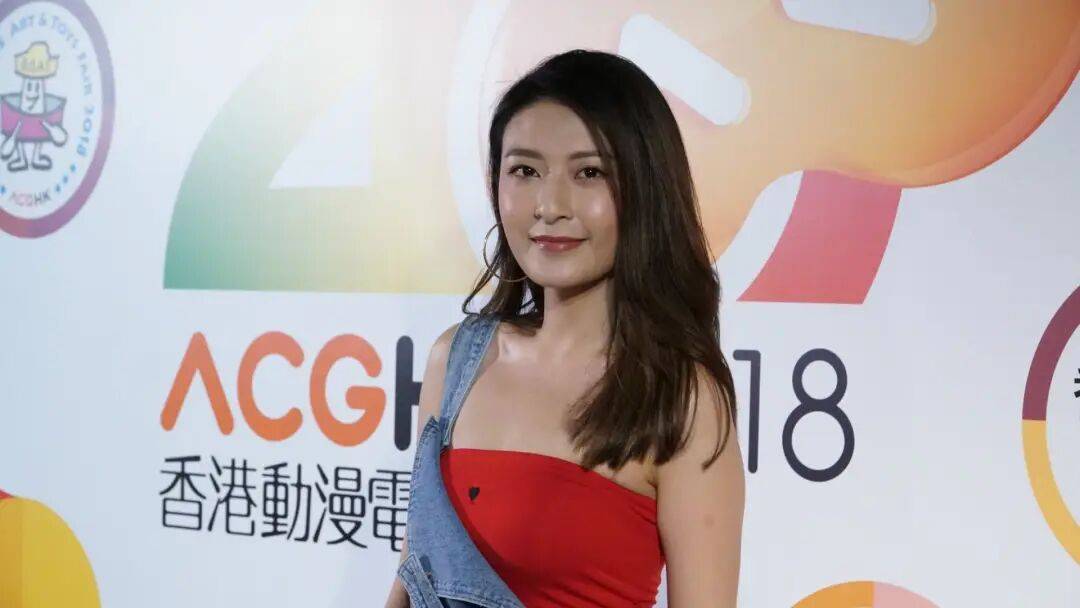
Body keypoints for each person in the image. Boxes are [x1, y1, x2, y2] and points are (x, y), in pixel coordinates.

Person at [384, 48, 745, 608]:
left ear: (646, 188)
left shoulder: (680, 400)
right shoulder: (453, 361)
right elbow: (416, 578)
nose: (550, 206)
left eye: (589, 173)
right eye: (525, 171)